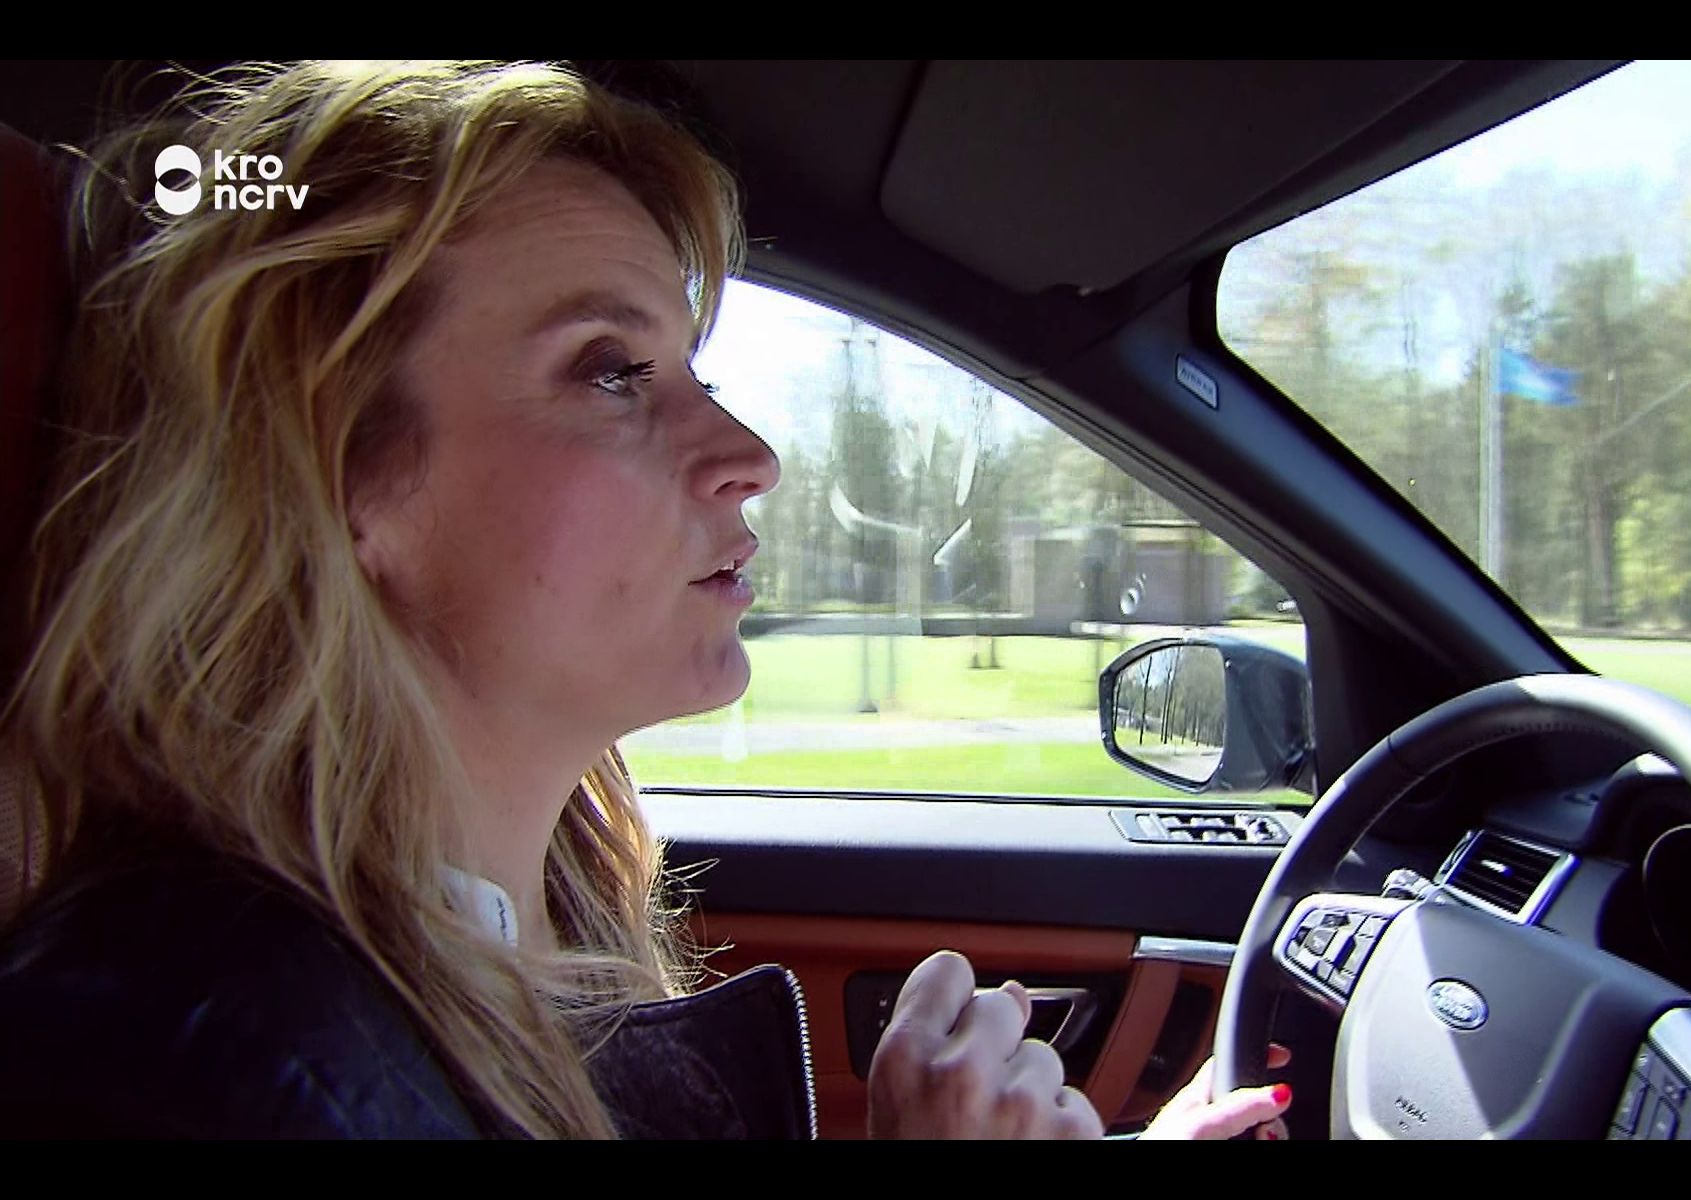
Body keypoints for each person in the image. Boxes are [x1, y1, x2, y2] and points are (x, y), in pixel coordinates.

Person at [0, 60, 1291, 1140]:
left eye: (690, 370)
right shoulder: (192, 1060)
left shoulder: (498, 940)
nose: (751, 456)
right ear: (332, 470)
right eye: (611, 370)